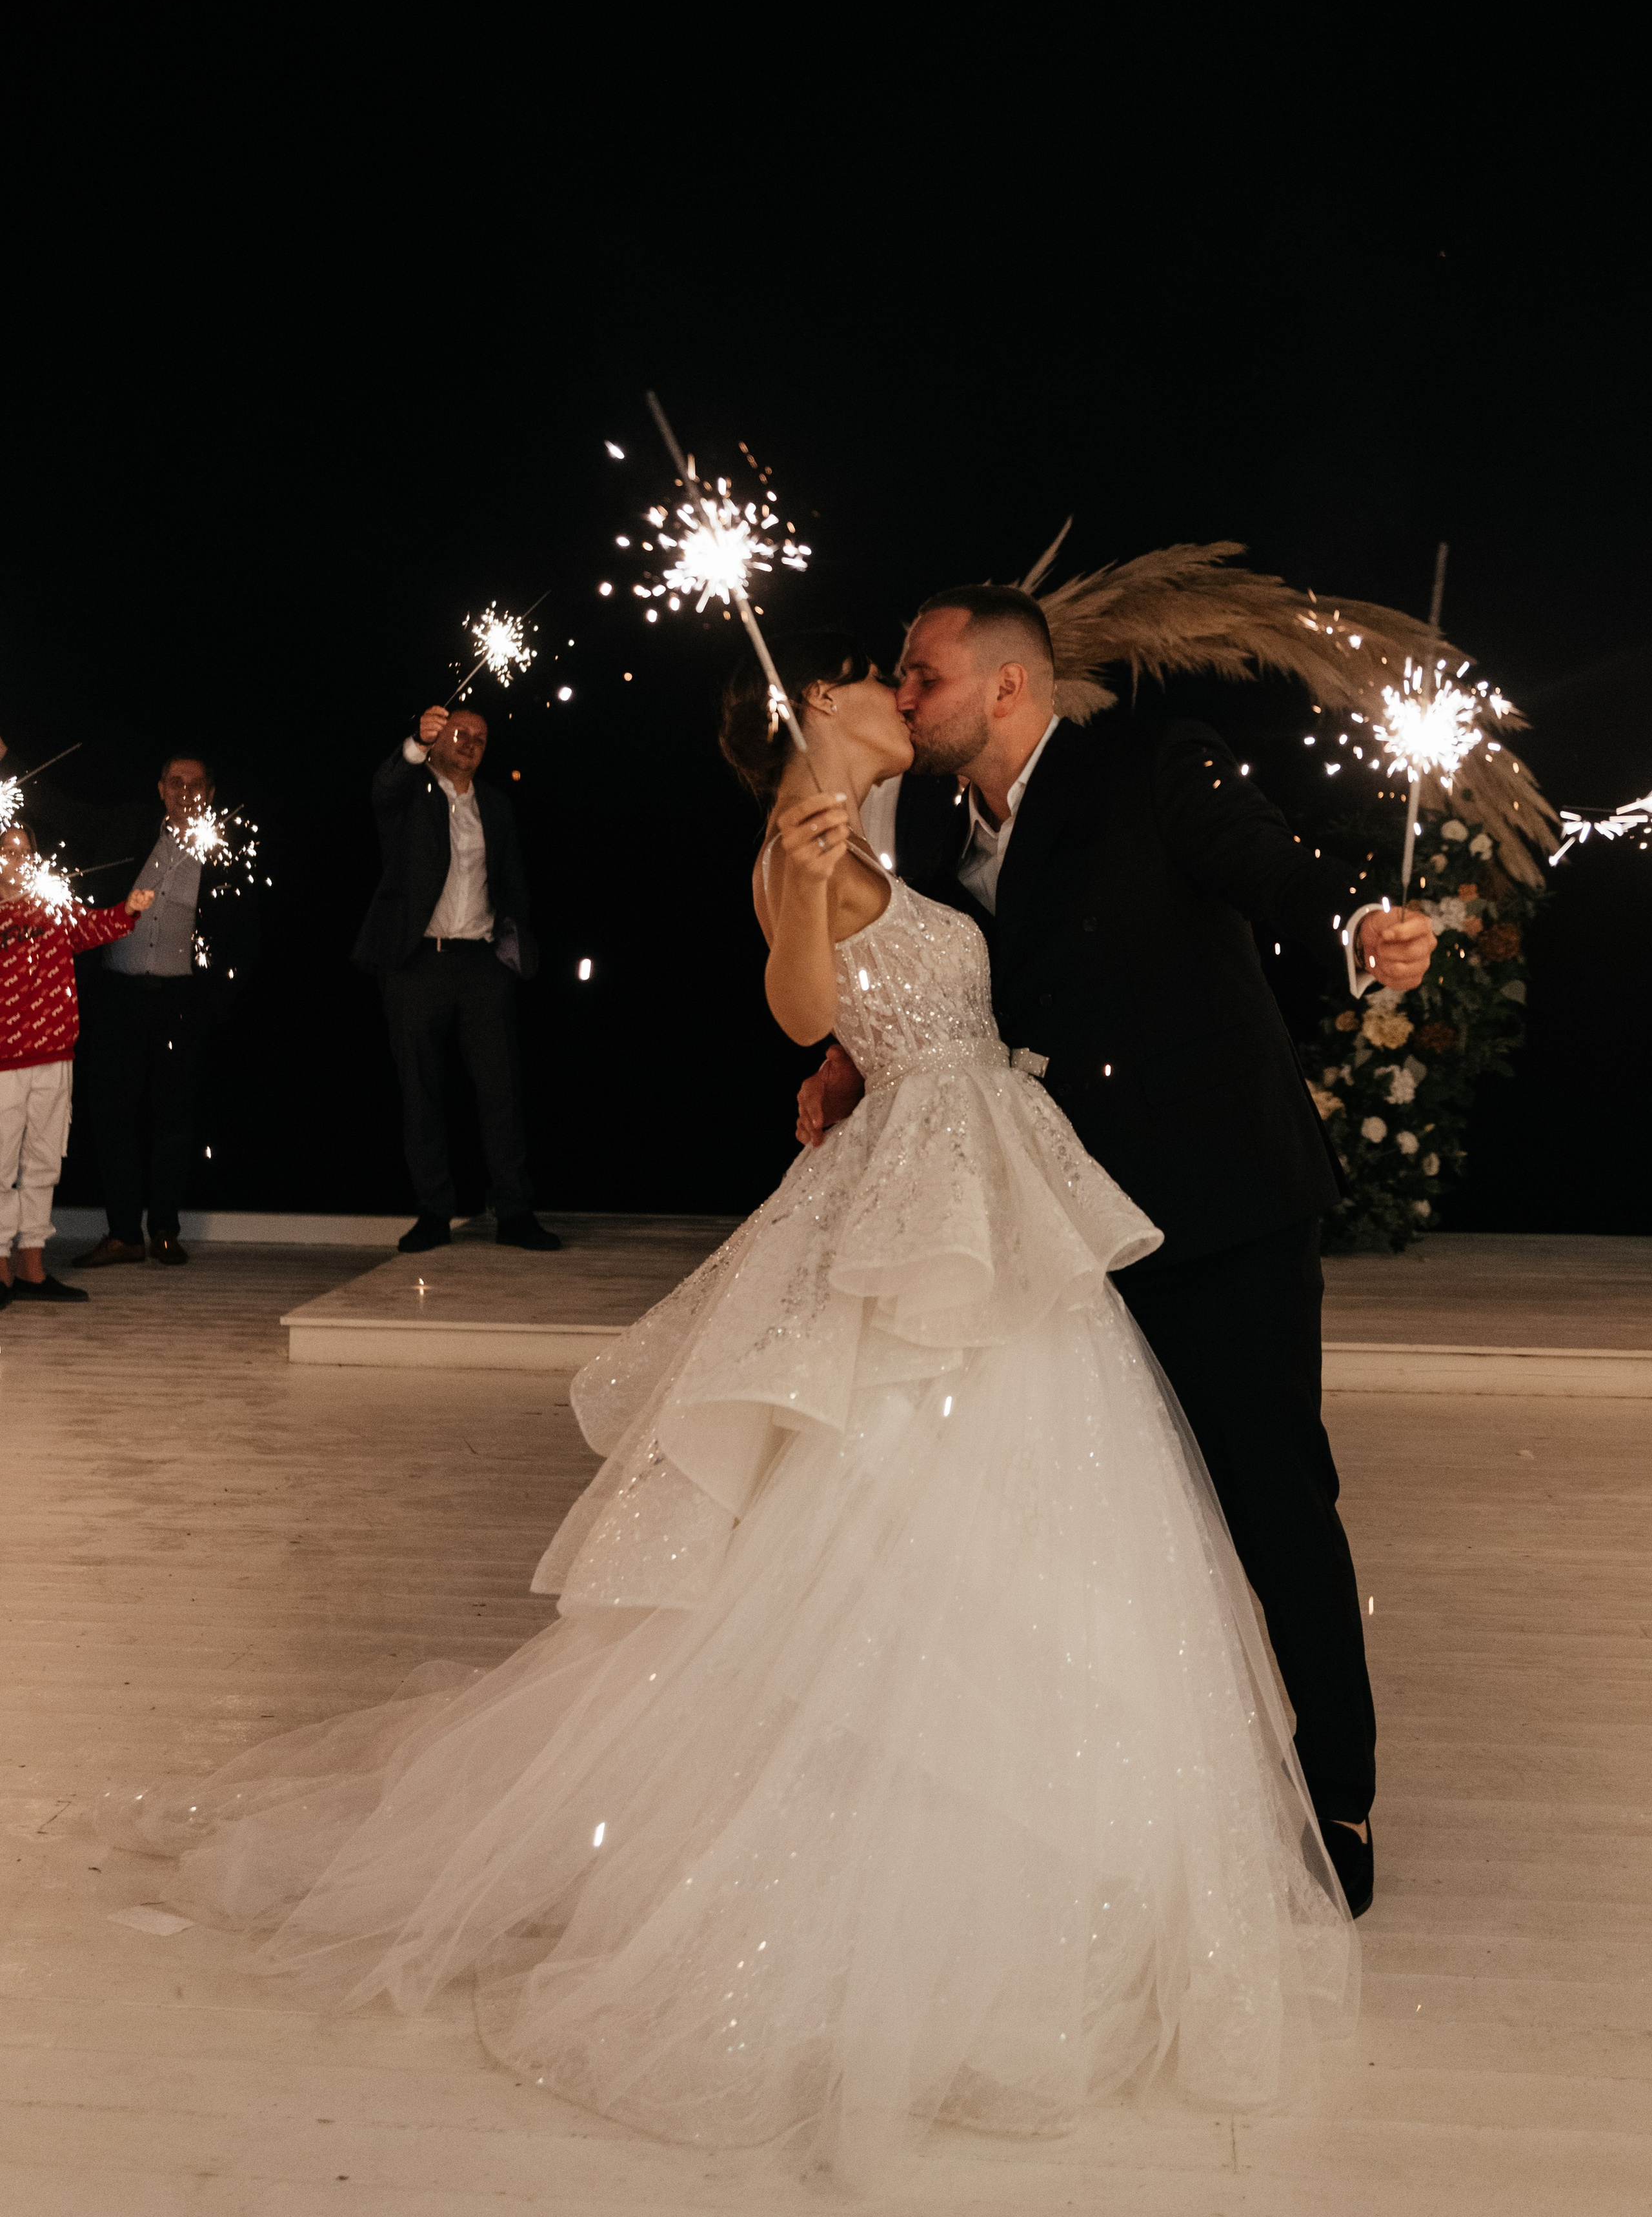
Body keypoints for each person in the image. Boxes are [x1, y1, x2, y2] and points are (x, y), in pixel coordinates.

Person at [104, 634, 1359, 2190]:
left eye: (910, 674)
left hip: (984, 1184)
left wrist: (849, 1010)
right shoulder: (808, 842)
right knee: (904, 1500)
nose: (894, 696)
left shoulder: (929, 834)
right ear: (801, 721)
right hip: (925, 1203)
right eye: (866, 682)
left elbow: (916, 1011)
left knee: (1050, 1498)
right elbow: (790, 1003)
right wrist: (804, 892)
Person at [800, 587, 1438, 1920]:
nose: (902, 698)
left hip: (1214, 1204)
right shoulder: (920, 820)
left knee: (1269, 1499)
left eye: (921, 678)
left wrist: (1362, 935)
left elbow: (1276, 875)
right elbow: (935, 990)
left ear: (1008, 689)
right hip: (1046, 1222)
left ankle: (1338, 1791)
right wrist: (847, 1058)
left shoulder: (1151, 766)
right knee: (1092, 1519)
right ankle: (1127, 1801)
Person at [353, 705, 557, 1254]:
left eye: (480, 738)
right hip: (417, 964)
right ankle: (433, 1214)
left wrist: (516, 946)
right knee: (421, 1093)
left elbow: (512, 881)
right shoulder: (408, 796)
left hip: (481, 965)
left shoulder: (495, 805)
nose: (469, 743)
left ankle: (514, 1212)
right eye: (459, 733)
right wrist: (413, 744)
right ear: (438, 739)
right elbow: (382, 787)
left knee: (502, 1091)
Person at [61, 750, 259, 1270]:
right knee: (112, 1115)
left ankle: (165, 1230)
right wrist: (8, 760)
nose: (185, 790)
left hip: (183, 1001)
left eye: (196, 783)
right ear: (161, 789)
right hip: (118, 995)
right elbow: (67, 812)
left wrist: (215, 1002)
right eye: (176, 782)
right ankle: (124, 1234)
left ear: (211, 792)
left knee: (175, 1118)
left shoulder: (226, 849)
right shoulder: (131, 827)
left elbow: (243, 932)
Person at [0, 823, 154, 1308]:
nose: (17, 858)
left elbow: (92, 929)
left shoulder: (51, 905)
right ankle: (0, 1271)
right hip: (4, 1061)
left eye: (24, 850)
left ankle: (32, 1268)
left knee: (43, 1164)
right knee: (0, 1168)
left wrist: (127, 910)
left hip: (55, 1055)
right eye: (6, 850)